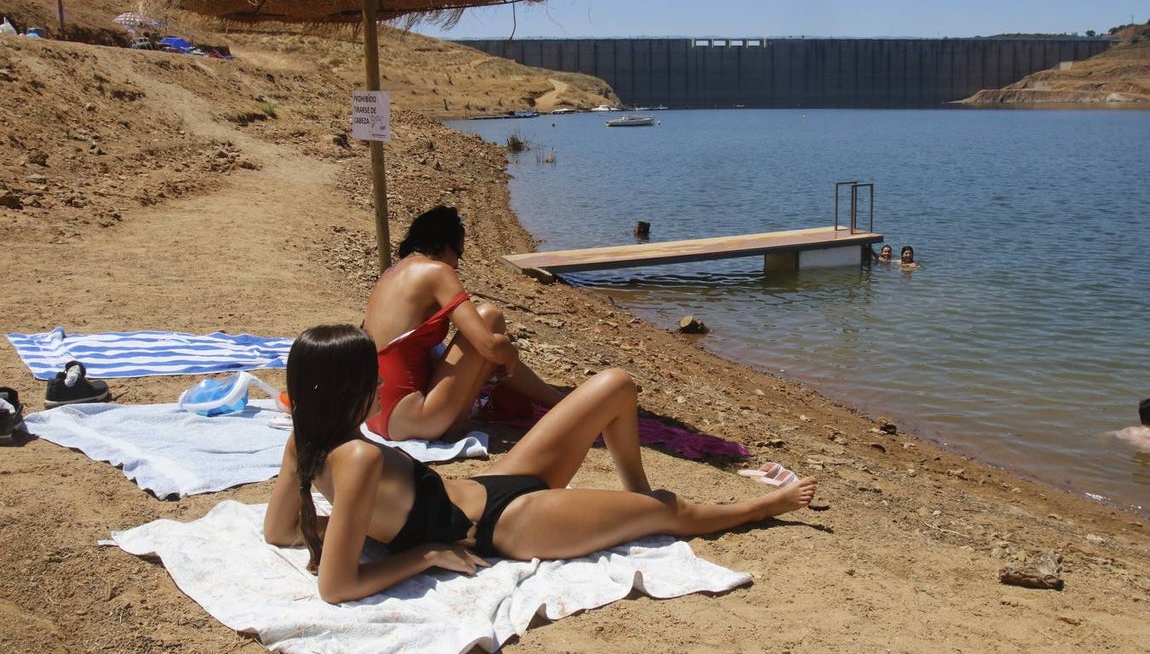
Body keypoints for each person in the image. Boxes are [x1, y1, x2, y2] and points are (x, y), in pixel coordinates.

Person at [264, 325, 818, 604]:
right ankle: (761, 503)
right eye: (373, 378)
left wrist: (352, 526)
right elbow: (336, 587)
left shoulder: (304, 442)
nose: (383, 384)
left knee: (616, 387)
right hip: (505, 524)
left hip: (490, 485)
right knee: (671, 508)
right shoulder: (357, 457)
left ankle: (635, 505)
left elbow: (278, 530)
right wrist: (425, 554)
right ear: (349, 389)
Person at [362, 206, 563, 441]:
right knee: (490, 317)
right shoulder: (436, 272)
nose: (456, 265)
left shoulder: (392, 272)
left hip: (373, 412)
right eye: (458, 254)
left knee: (488, 338)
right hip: (409, 418)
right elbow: (488, 346)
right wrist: (510, 351)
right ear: (446, 245)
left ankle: (558, 400)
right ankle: (560, 402)